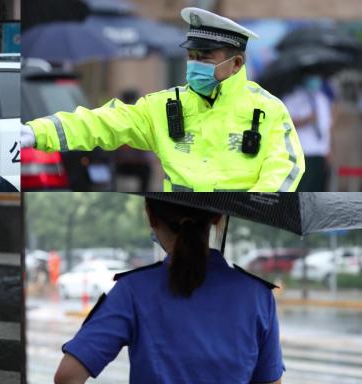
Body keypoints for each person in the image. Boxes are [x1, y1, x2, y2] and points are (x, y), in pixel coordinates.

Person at [21, 7, 305, 192]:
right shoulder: (164, 108)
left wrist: (251, 211)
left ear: (237, 63)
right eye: (191, 56)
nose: (195, 64)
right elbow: (102, 123)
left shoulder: (266, 109)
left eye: (205, 57)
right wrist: (37, 131)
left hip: (238, 230)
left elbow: (286, 167)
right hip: (179, 231)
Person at [54, 197, 284, 384]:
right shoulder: (258, 296)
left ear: (152, 217)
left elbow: (67, 377)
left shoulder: (133, 291)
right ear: (217, 217)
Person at [282, 74, 334, 191]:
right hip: (302, 152)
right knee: (302, 188)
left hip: (320, 152)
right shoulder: (292, 97)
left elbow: (327, 127)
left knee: (318, 189)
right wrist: (306, 120)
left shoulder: (322, 99)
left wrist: (329, 150)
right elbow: (285, 123)